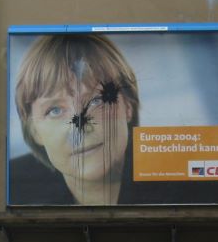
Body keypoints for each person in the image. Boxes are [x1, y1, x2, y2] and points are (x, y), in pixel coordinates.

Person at [10, 34, 139, 205]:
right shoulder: (15, 184)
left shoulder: (177, 180)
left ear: (128, 106)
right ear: (34, 131)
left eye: (96, 101)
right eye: (55, 110)